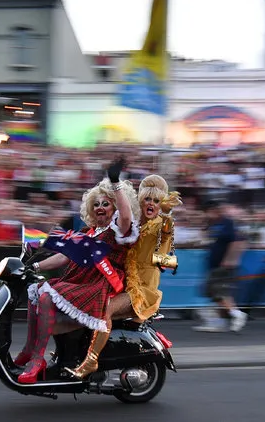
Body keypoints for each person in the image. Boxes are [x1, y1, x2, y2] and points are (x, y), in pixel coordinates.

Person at [14, 158, 140, 384]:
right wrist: (32, 266)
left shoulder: (118, 230)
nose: (100, 208)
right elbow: (64, 256)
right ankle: (30, 351)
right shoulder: (87, 231)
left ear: (114, 207)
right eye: (97, 204)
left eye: (106, 204)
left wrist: (115, 183)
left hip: (98, 285)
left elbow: (126, 216)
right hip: (78, 279)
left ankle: (36, 360)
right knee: (37, 292)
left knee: (45, 294)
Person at [65, 174, 182, 379]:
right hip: (122, 283)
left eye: (156, 201)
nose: (151, 204)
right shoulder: (133, 224)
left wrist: (167, 213)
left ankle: (90, 361)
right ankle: (70, 354)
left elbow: (166, 240)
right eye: (147, 199)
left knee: (104, 310)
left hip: (142, 290)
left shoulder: (160, 225)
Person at [194, 200, 248, 333]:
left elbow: (237, 241)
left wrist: (230, 259)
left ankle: (236, 315)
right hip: (214, 264)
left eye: (208, 212)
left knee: (219, 292)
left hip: (223, 265)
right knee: (214, 292)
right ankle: (222, 320)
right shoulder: (213, 224)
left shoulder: (227, 223)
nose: (207, 215)